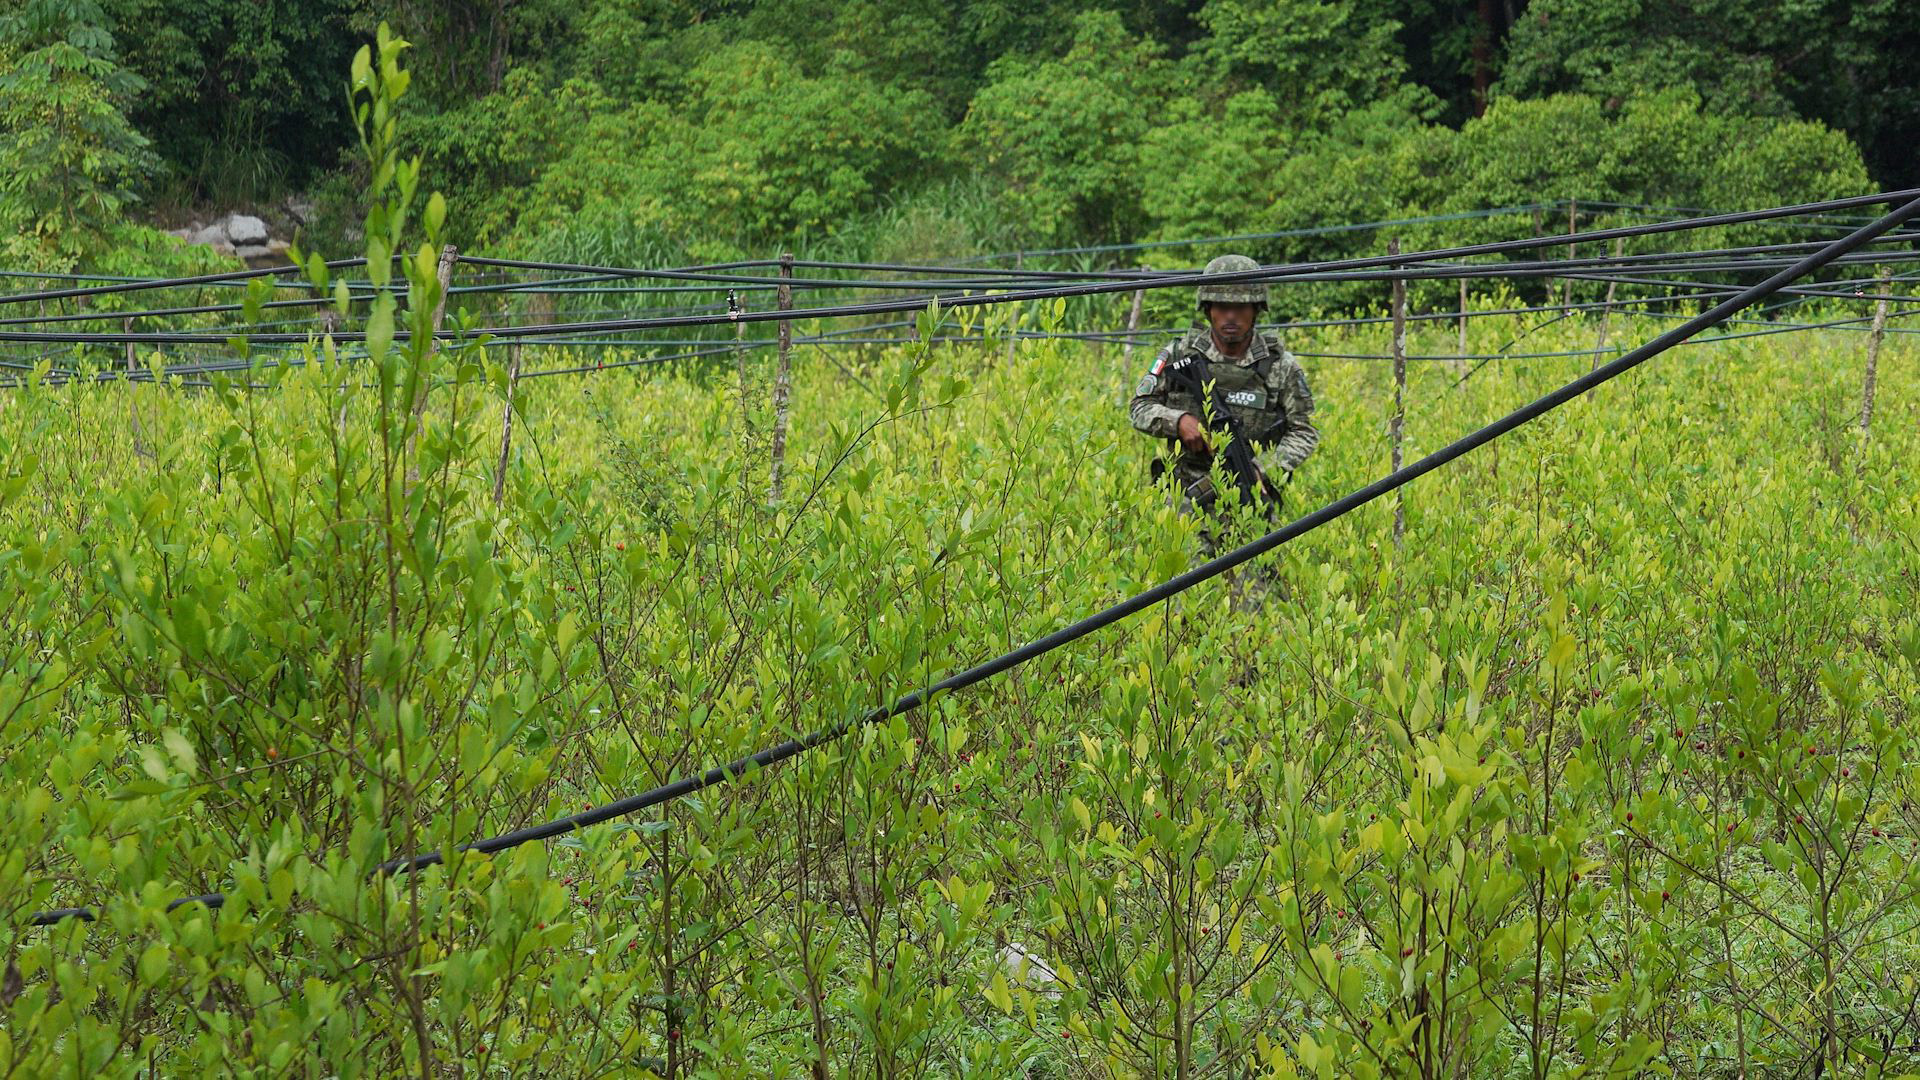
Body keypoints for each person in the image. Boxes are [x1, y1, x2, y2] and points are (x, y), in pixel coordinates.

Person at [1128, 253, 1317, 602]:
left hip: (1249, 497)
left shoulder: (1280, 366)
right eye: (1221, 306)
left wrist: (1265, 468)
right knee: (1184, 602)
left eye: (1241, 308)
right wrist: (1179, 421)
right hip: (1186, 494)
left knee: (1257, 601)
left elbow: (1304, 432)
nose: (1231, 316)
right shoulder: (1178, 354)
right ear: (1208, 308)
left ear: (1257, 309)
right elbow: (1138, 407)